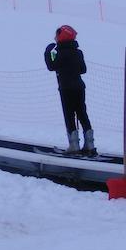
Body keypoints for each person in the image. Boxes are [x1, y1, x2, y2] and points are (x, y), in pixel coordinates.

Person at [44, 24, 95, 154]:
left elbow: (51, 66)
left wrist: (47, 53)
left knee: (69, 114)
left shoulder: (60, 53)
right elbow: (83, 69)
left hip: (66, 87)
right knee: (82, 113)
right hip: (79, 86)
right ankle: (90, 144)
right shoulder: (78, 52)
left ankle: (74, 145)